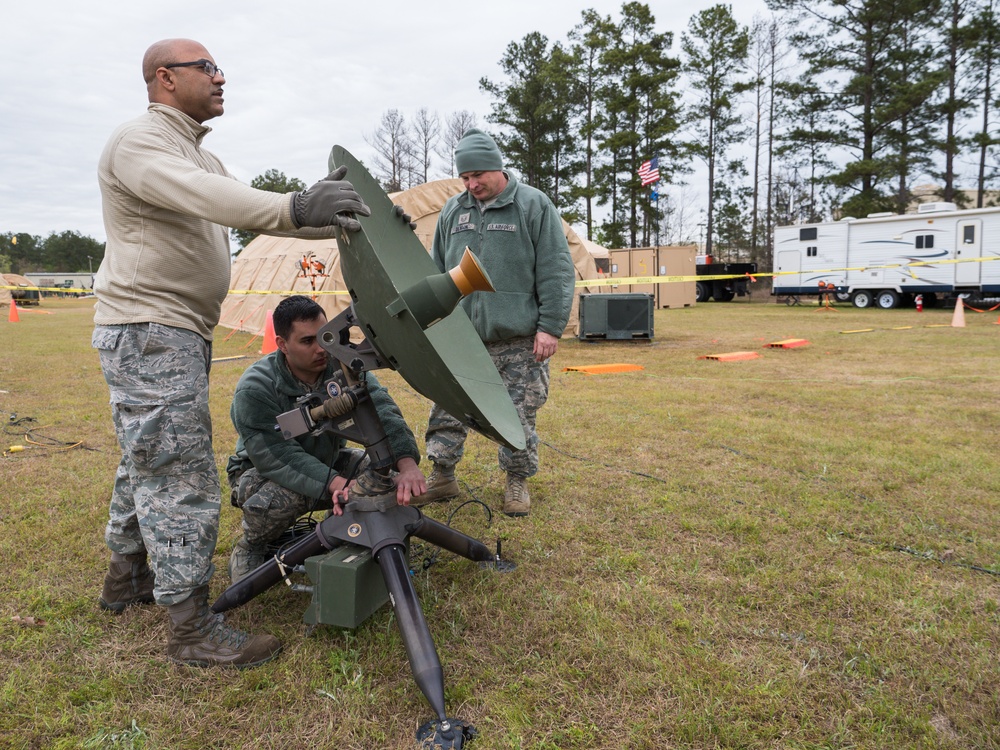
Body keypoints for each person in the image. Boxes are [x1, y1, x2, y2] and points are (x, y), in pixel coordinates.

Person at [93, 38, 370, 669]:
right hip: (150, 325)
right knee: (178, 471)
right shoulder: (141, 143)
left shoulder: (199, 156)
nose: (222, 78)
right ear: (165, 78)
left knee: (148, 451)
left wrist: (342, 216)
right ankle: (190, 629)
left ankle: (127, 576)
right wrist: (296, 203)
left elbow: (265, 216)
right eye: (208, 68)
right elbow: (217, 200)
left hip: (171, 329)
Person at [420, 128, 575, 517]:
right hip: (461, 335)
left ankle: (516, 481)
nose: (472, 185)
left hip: (518, 338)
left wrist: (550, 326)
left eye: (479, 176)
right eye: (465, 178)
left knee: (518, 413)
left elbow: (556, 268)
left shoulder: (533, 205)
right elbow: (438, 269)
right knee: (448, 406)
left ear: (498, 168)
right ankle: (442, 474)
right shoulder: (453, 211)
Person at [226, 295, 426, 583]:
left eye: (322, 337)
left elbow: (382, 409)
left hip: (327, 460)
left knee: (385, 475)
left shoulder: (341, 366)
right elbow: (278, 456)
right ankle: (251, 546)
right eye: (307, 341)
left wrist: (407, 465)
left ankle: (363, 535)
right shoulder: (256, 387)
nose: (321, 349)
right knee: (284, 497)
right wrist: (340, 485)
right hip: (259, 473)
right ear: (282, 344)